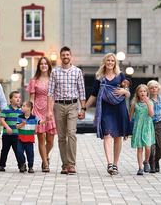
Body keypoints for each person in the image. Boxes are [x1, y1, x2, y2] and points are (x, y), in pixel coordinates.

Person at [85, 53, 132, 175]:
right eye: (108, 60)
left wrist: (124, 91)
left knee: (118, 137)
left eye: (112, 60)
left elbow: (128, 93)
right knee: (107, 135)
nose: (110, 62)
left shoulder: (120, 76)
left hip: (119, 108)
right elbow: (93, 95)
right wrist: (84, 108)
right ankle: (109, 163)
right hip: (105, 110)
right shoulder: (100, 78)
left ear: (115, 63)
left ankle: (115, 164)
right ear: (104, 62)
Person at [46, 46, 86, 174]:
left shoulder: (77, 72)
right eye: (63, 55)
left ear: (71, 56)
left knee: (72, 134)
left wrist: (83, 108)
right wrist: (48, 110)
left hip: (73, 105)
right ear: (60, 57)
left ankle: (71, 164)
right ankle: (64, 165)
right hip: (58, 106)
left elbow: (82, 91)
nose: (65, 57)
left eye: (67, 55)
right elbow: (50, 92)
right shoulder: (55, 72)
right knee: (62, 137)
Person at [26, 57, 57, 173]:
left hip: (51, 109)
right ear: (38, 66)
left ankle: (46, 155)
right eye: (41, 64)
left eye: (45, 64)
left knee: (50, 141)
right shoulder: (34, 81)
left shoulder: (53, 79)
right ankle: (45, 163)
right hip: (38, 110)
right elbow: (31, 98)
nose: (43, 66)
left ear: (49, 66)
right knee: (41, 138)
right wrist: (31, 112)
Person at [128, 84, 154, 175]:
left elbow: (151, 115)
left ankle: (146, 161)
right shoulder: (135, 104)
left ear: (147, 93)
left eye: (144, 91)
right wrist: (127, 130)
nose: (143, 93)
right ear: (137, 93)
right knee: (139, 149)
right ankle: (140, 168)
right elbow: (130, 117)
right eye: (140, 91)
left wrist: (147, 102)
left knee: (147, 147)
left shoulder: (150, 103)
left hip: (147, 127)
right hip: (138, 127)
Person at [16, 101, 48, 173]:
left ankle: (30, 166)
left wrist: (46, 119)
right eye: (22, 105)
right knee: (19, 151)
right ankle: (23, 163)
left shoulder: (33, 118)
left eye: (24, 106)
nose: (22, 107)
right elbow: (17, 126)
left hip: (29, 140)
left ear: (29, 108)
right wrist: (22, 124)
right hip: (21, 139)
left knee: (30, 153)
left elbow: (40, 122)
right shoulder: (20, 117)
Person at [0, 91, 23, 172]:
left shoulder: (21, 111)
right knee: (5, 150)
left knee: (18, 150)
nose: (18, 99)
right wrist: (7, 127)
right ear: (10, 99)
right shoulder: (6, 109)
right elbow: (2, 120)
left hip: (17, 134)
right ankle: (2, 165)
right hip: (7, 134)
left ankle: (21, 165)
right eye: (15, 97)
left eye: (19, 97)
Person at [147, 80, 161, 173]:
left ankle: (157, 160)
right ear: (149, 89)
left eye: (155, 87)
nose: (154, 89)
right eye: (151, 87)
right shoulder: (147, 100)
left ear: (158, 89)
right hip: (150, 124)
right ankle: (152, 163)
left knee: (160, 146)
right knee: (151, 146)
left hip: (159, 123)